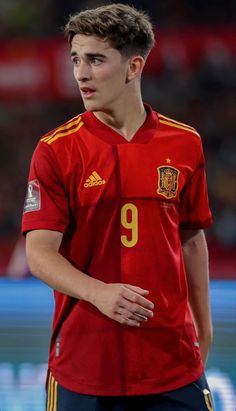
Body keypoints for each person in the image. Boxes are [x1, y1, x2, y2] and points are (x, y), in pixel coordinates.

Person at [22, 3, 214, 411]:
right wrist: (99, 293)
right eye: (76, 59)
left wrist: (205, 328)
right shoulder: (56, 149)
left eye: (95, 59)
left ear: (133, 67)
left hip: (173, 363)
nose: (80, 73)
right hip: (85, 366)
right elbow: (38, 255)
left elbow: (192, 238)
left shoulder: (185, 143)